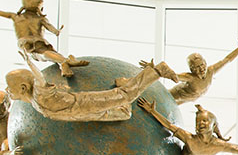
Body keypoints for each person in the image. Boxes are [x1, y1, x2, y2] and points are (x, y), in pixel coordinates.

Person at [7, 51, 177, 122]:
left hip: (85, 103)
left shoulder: (40, 94)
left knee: (125, 95)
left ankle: (157, 70)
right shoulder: (35, 102)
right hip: (83, 114)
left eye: (9, 87)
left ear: (23, 87)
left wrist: (30, 63)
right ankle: (123, 85)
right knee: (123, 115)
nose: (7, 90)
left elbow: (39, 78)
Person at [0, 0, 89, 77]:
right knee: (47, 53)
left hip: (25, 42)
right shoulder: (41, 18)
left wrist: (56, 31)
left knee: (41, 55)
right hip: (40, 41)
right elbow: (53, 30)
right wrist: (57, 31)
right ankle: (65, 62)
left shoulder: (15, 16)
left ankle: (64, 62)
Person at [147, 36, 238, 105]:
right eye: (196, 67)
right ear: (191, 69)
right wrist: (155, 69)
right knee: (155, 102)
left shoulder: (211, 71)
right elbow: (172, 75)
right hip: (173, 97)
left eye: (202, 65)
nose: (201, 69)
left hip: (182, 102)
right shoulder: (190, 77)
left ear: (206, 63)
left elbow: (227, 59)